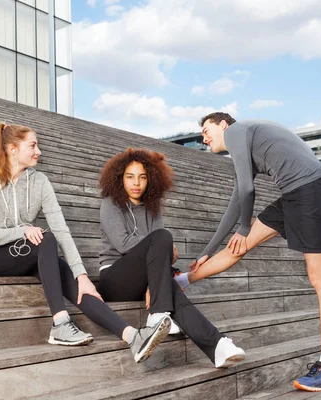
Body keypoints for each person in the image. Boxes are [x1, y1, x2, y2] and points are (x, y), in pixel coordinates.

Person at [0, 122, 170, 363]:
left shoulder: (39, 181)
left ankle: (133, 337)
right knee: (46, 239)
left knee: (80, 286)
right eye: (33, 145)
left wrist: (81, 275)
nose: (39, 151)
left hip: (31, 251)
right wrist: (23, 230)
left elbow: (61, 229)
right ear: (12, 149)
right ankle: (60, 323)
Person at [180, 113, 321, 391]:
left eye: (207, 130)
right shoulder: (246, 139)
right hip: (294, 193)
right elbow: (237, 200)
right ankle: (179, 282)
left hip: (308, 191)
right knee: (236, 248)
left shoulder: (236, 131)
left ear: (223, 124)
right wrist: (208, 249)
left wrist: (244, 226)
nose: (204, 138)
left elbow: (247, 189)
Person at [96, 148, 246, 368]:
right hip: (113, 278)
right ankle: (158, 312)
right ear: (120, 178)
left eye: (142, 177)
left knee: (170, 284)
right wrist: (161, 253)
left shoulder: (153, 208)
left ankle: (217, 346)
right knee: (163, 238)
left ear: (150, 180)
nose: (136, 183)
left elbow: (160, 254)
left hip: (145, 277)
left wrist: (154, 282)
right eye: (130, 176)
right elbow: (123, 244)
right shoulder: (111, 204)